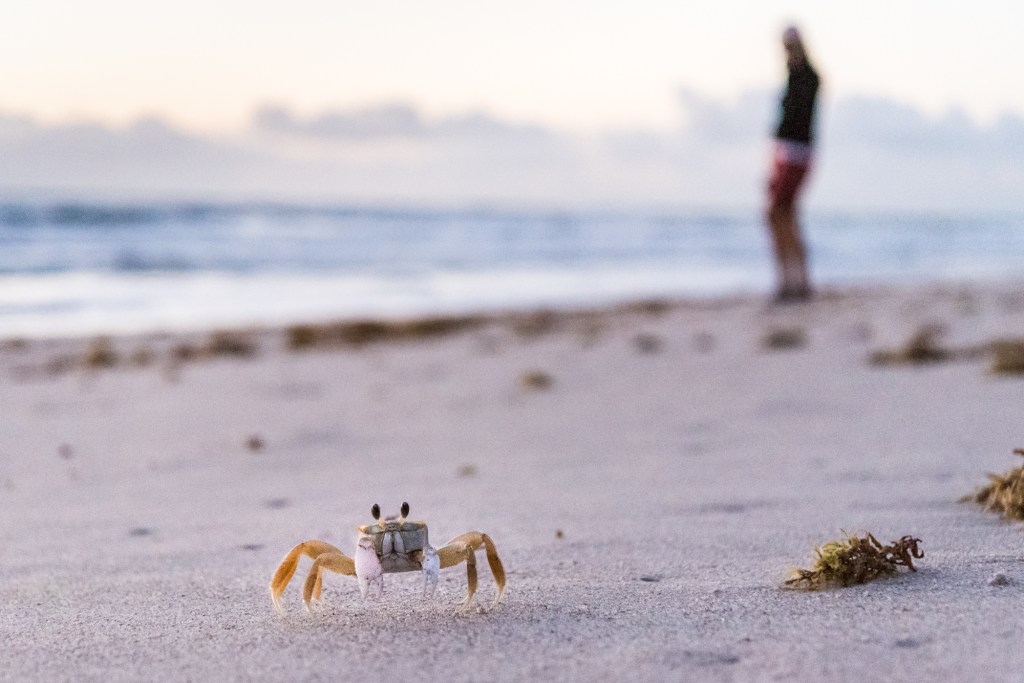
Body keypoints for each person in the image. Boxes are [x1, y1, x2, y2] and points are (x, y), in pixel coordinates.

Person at [766, 25, 820, 302]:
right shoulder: (793, 76)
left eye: (790, 45)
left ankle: (796, 280)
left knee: (779, 212)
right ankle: (790, 280)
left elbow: (798, 120)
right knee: (780, 215)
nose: (787, 51)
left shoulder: (808, 77)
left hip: (797, 154)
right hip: (785, 152)